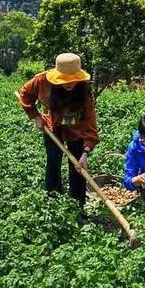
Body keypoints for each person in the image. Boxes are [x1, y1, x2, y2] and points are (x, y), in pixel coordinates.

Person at [18, 53, 99, 207]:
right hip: (52, 125)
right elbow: (25, 94)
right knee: (53, 160)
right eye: (65, 79)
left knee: (77, 166)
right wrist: (35, 116)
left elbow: (90, 123)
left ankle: (77, 205)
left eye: (72, 80)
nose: (68, 84)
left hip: (75, 126)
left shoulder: (84, 91)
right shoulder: (42, 81)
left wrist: (85, 152)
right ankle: (53, 204)